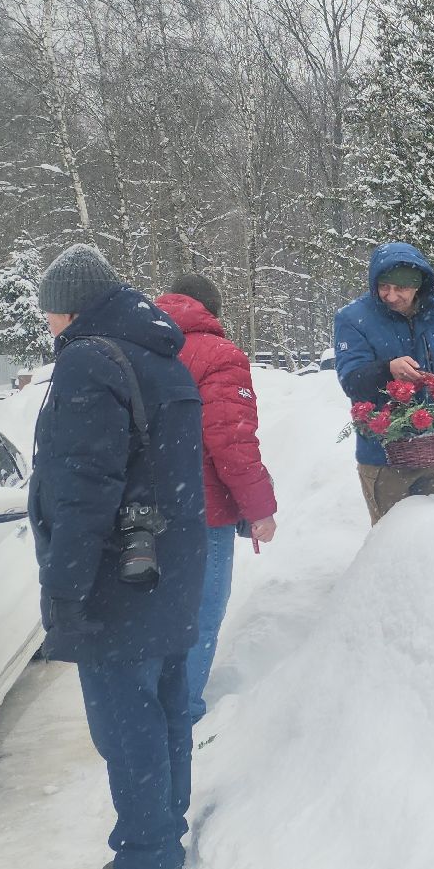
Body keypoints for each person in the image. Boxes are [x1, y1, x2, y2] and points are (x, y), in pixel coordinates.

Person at [28, 244, 206, 869]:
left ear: (68, 308)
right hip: (167, 569)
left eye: (49, 313)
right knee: (163, 710)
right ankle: (162, 832)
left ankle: (147, 864)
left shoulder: (88, 360)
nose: (48, 326)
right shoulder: (162, 355)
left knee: (125, 727)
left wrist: (64, 591)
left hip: (115, 582)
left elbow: (83, 491)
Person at [154, 274, 278, 725]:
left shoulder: (140, 346)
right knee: (201, 612)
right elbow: (232, 442)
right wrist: (260, 509)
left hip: (144, 510)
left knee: (154, 614)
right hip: (201, 511)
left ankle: (148, 709)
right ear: (212, 310)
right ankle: (181, 714)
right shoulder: (219, 355)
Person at [333, 242, 434, 524]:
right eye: (384, 286)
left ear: (419, 286)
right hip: (384, 458)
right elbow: (351, 382)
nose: (391, 296)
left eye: (401, 288)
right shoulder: (353, 318)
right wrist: (387, 369)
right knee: (392, 542)